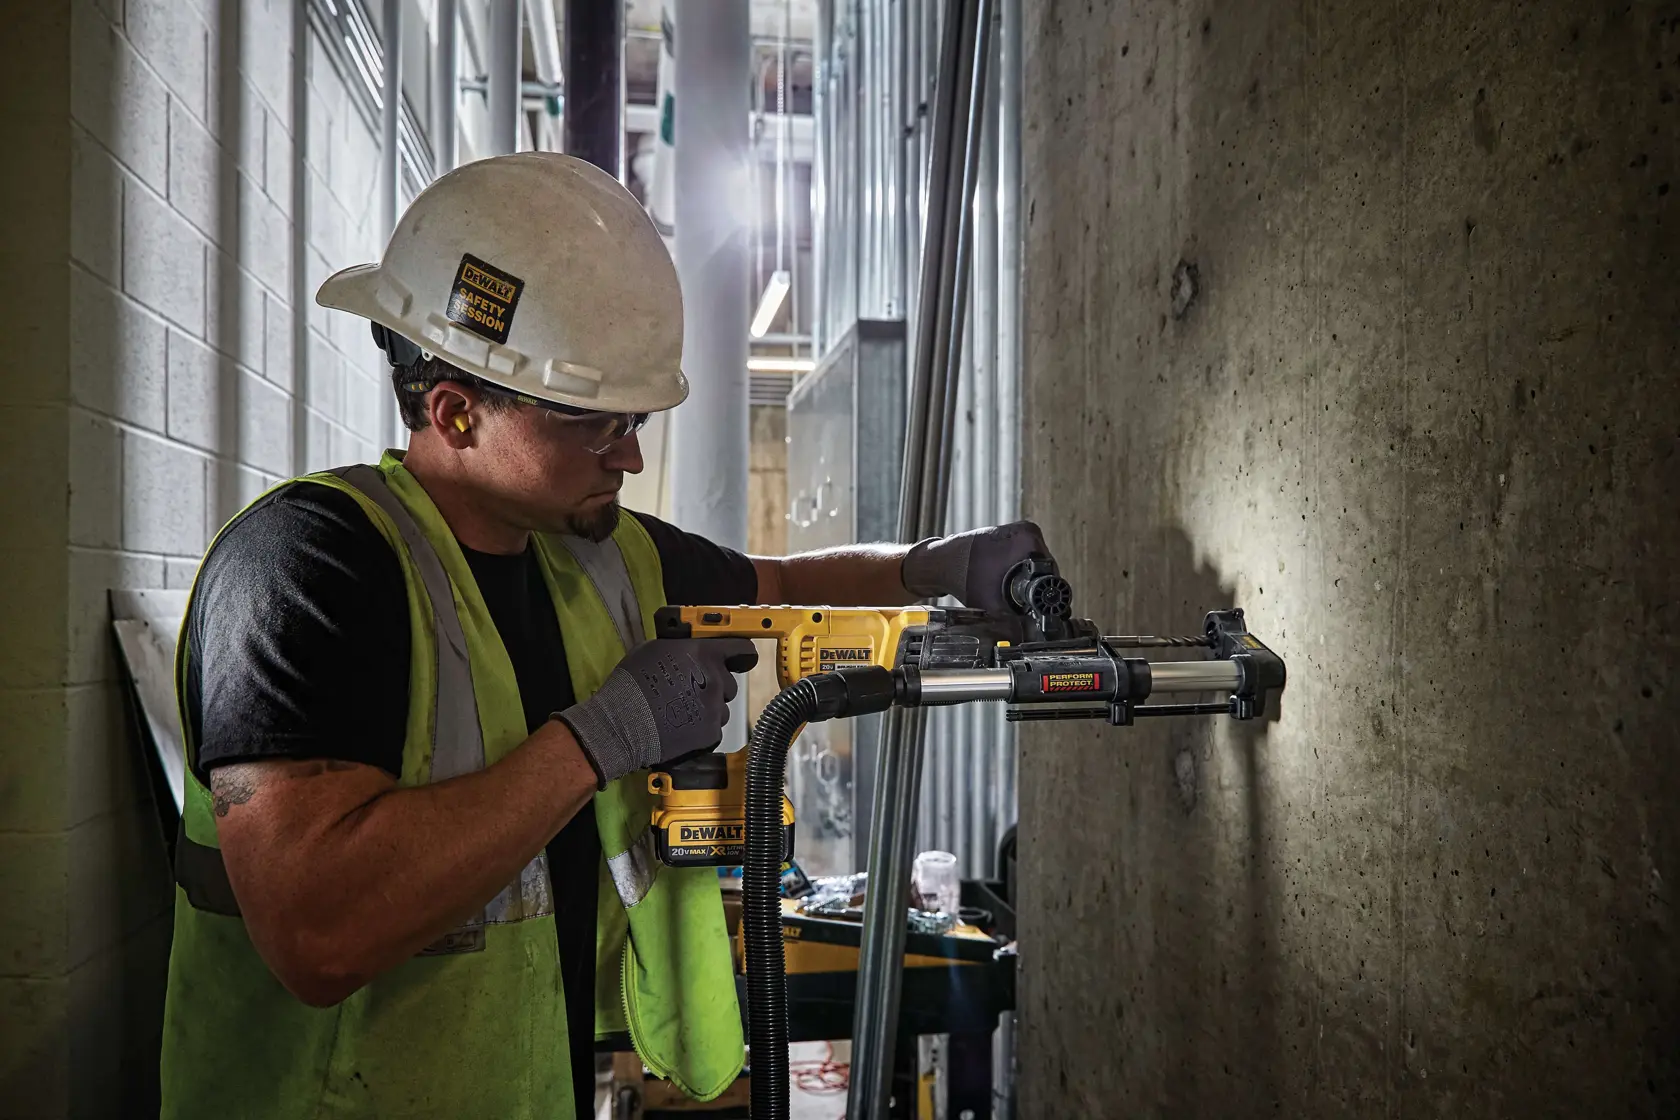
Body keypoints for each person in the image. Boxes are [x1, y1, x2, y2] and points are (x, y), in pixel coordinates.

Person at [159, 152, 1054, 1120]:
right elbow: (317, 933)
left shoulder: (593, 550)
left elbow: (785, 582)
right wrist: (603, 737)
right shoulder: (308, 568)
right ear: (457, 411)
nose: (630, 454)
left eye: (634, 422)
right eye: (599, 426)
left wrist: (930, 564)